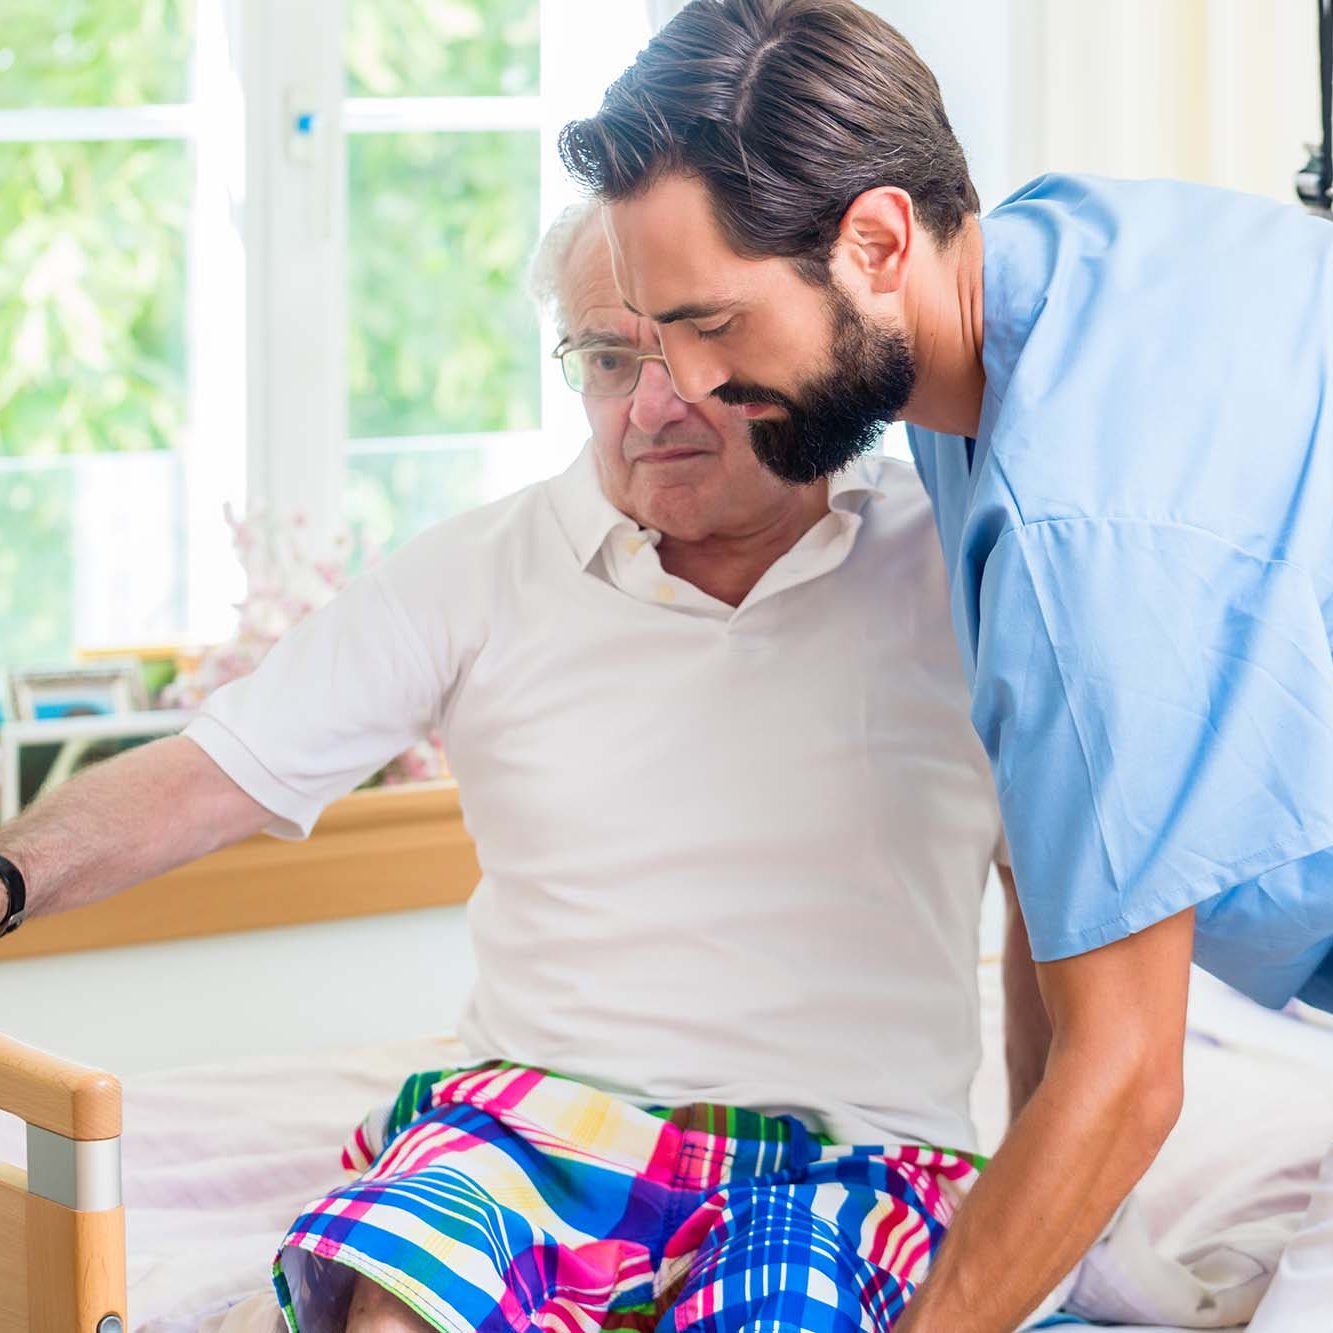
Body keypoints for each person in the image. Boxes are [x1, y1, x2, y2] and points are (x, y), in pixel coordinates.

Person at [0, 206, 1010, 1333]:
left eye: (693, 348)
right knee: (392, 1304)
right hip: (534, 1124)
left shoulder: (954, 561)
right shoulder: (477, 572)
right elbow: (204, 775)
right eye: (609, 358)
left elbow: (1060, 897)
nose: (653, 401)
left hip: (848, 1151)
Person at [557, 1, 1333, 1329]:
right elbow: (1063, 838)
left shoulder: (1074, 538)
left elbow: (1129, 1070)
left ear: (875, 240)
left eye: (715, 326)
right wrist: (1072, 1236)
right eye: (647, 333)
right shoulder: (1036, 271)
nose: (677, 387)